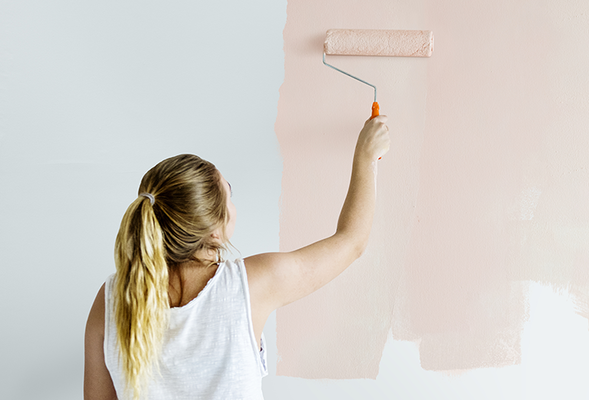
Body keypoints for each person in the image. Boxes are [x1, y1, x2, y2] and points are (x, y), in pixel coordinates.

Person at [83, 116, 390, 400]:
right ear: (215, 234)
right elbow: (351, 242)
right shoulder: (251, 284)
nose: (233, 200)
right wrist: (366, 157)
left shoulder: (111, 299)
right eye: (229, 192)